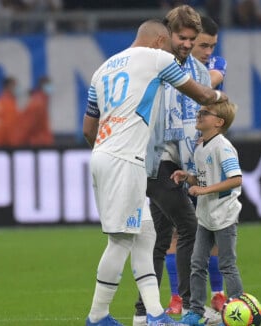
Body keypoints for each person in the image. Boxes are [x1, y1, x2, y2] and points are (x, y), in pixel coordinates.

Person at [82, 19, 226, 326]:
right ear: (161, 40)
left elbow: (88, 128)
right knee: (120, 241)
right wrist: (219, 98)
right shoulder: (156, 58)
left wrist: (108, 147)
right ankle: (97, 316)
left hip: (103, 155)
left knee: (145, 235)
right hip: (126, 160)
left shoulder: (103, 68)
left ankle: (154, 315)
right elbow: (200, 94)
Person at [133, 6, 220, 326]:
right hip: (153, 160)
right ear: (167, 35)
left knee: (159, 236)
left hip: (178, 163)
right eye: (181, 37)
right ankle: (188, 306)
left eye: (191, 39)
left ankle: (143, 313)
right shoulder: (152, 66)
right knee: (189, 226)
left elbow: (199, 114)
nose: (186, 43)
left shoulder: (196, 72)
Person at [161, 14, 229, 316]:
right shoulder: (171, 64)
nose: (207, 51)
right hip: (171, 154)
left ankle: (217, 293)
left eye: (210, 46)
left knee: (209, 225)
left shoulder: (210, 67)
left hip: (201, 153)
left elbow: (211, 83)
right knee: (179, 228)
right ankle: (178, 296)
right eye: (202, 45)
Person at [171, 101, 244, 326]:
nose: (199, 115)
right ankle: (195, 311)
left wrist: (203, 190)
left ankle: (237, 309)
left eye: (205, 113)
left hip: (224, 216)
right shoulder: (201, 146)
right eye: (199, 112)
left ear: (219, 122)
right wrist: (188, 177)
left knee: (227, 265)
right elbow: (202, 178)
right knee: (197, 263)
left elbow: (236, 179)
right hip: (206, 215)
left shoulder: (222, 146)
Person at [14, 76, 54, 147]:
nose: (51, 87)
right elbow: (28, 125)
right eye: (49, 85)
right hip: (39, 143)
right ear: (43, 86)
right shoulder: (38, 103)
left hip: (40, 141)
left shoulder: (41, 101)